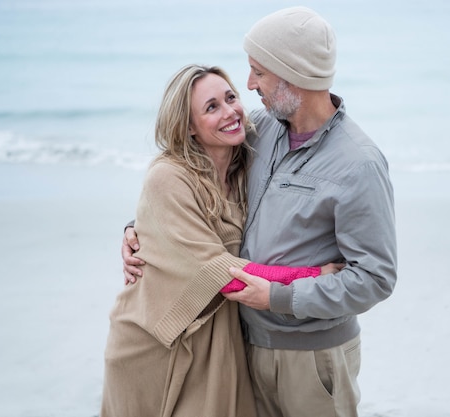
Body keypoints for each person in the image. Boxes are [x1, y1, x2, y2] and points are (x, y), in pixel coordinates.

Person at [123, 7, 397, 417]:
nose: (249, 85)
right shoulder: (260, 129)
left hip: (314, 359)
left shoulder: (359, 164)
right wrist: (140, 228)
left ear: (293, 76)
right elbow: (193, 176)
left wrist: (279, 296)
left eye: (259, 72)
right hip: (244, 345)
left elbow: (375, 278)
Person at [101, 64, 342, 417]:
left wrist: (136, 225)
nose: (230, 112)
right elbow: (225, 274)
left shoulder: (249, 159)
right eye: (211, 107)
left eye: (231, 98)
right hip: (158, 339)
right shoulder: (168, 176)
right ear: (187, 126)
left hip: (221, 334)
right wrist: (313, 275)